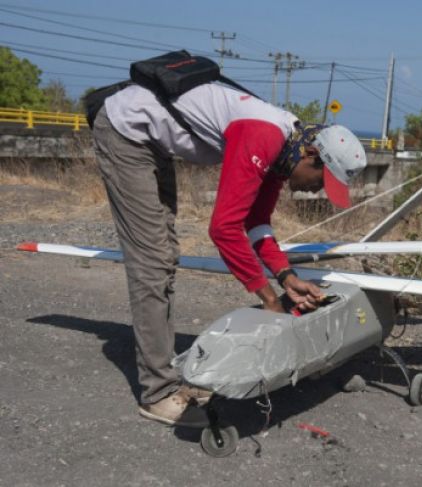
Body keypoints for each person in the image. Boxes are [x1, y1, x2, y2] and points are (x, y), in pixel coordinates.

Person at [92, 80, 367, 427]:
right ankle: (158, 392)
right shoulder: (264, 137)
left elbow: (256, 221)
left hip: (152, 140)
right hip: (125, 132)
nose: (317, 191)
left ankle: (171, 369)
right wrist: (269, 299)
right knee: (153, 260)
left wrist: (286, 276)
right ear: (311, 155)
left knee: (164, 253)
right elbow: (223, 228)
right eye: (321, 181)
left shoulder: (287, 148)